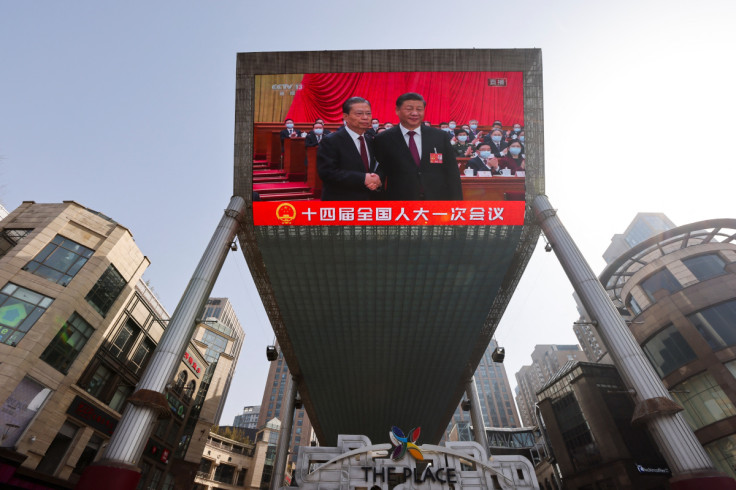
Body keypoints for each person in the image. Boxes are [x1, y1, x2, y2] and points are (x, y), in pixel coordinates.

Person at [374, 92, 463, 200]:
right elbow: (380, 170)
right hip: (400, 201)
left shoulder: (440, 136)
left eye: (419, 109)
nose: (415, 113)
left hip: (436, 200)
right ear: (397, 110)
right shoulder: (383, 138)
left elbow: (452, 171)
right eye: (409, 109)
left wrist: (457, 202)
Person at [317, 97, 383, 201]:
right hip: (342, 202)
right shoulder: (331, 141)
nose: (365, 117)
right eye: (359, 114)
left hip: (369, 202)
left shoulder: (371, 140)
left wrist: (377, 179)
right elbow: (327, 173)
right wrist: (363, 178)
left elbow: (377, 166)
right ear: (345, 117)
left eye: (368, 113)